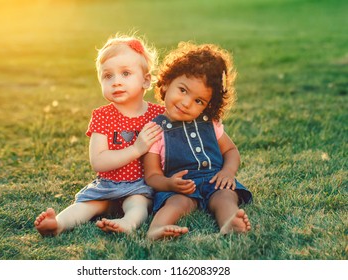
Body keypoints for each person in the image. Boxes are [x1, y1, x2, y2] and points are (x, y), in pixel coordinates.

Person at [34, 34, 165, 236]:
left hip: (140, 185)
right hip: (107, 185)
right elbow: (99, 162)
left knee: (138, 205)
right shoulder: (102, 116)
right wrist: (136, 149)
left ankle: (127, 224)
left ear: (146, 80)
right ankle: (58, 223)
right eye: (108, 76)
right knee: (87, 205)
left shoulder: (158, 115)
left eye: (126, 73)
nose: (116, 82)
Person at [143, 42, 253, 240]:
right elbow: (151, 175)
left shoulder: (210, 124)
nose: (186, 103)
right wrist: (170, 184)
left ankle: (229, 222)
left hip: (214, 180)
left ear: (208, 105)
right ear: (167, 82)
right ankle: (157, 228)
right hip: (181, 187)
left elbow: (231, 151)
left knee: (226, 196)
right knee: (177, 203)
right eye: (183, 90)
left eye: (198, 101)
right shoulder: (155, 130)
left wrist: (227, 172)